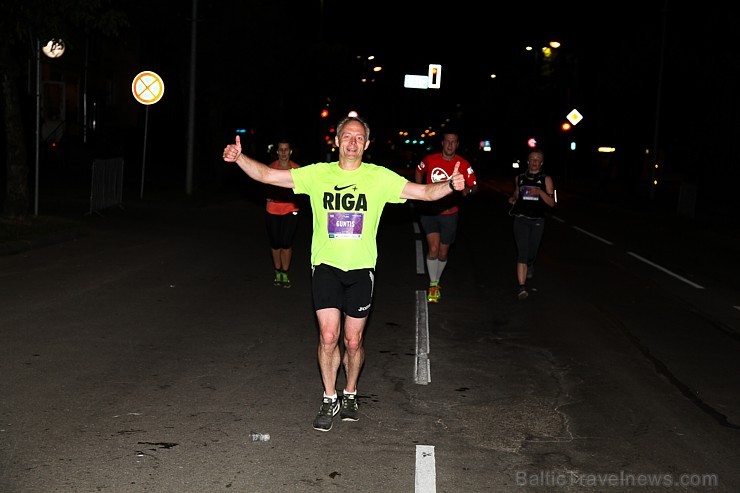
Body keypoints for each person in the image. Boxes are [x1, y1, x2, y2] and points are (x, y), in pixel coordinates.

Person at [223, 116, 466, 432]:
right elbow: (269, 175)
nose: (352, 142)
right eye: (347, 136)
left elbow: (423, 193)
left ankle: (350, 391)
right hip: (325, 265)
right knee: (328, 336)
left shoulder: (379, 178)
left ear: (366, 144)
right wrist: (239, 157)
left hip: (362, 269)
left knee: (353, 342)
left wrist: (449, 184)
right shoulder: (318, 174)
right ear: (336, 142)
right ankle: (329, 397)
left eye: (359, 137)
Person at [414, 131, 478, 303]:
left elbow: (474, 186)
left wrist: (467, 189)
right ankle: (433, 284)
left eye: (454, 142)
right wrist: (421, 190)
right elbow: (419, 170)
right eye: (447, 141)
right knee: (433, 248)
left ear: (457, 145)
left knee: (443, 253)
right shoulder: (430, 159)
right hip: (430, 212)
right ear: (442, 143)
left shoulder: (463, 164)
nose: (450, 145)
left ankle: (437, 279)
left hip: (450, 213)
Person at [507, 149, 556, 300]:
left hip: (537, 221)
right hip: (520, 219)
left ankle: (530, 262)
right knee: (522, 252)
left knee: (531, 252)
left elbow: (552, 203)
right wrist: (513, 198)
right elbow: (516, 192)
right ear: (527, 162)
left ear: (541, 163)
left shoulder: (546, 179)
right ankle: (522, 287)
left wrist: (539, 192)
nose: (534, 162)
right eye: (532, 159)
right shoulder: (519, 178)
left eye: (537, 160)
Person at [265, 139, 301, 288]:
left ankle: (285, 273)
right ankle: (277, 271)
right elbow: (262, 185)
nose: (284, 152)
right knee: (275, 243)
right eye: (281, 149)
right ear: (277, 152)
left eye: (287, 149)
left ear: (290, 151)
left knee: (286, 242)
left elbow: (303, 190)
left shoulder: (297, 169)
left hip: (291, 209)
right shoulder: (270, 168)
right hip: (272, 209)